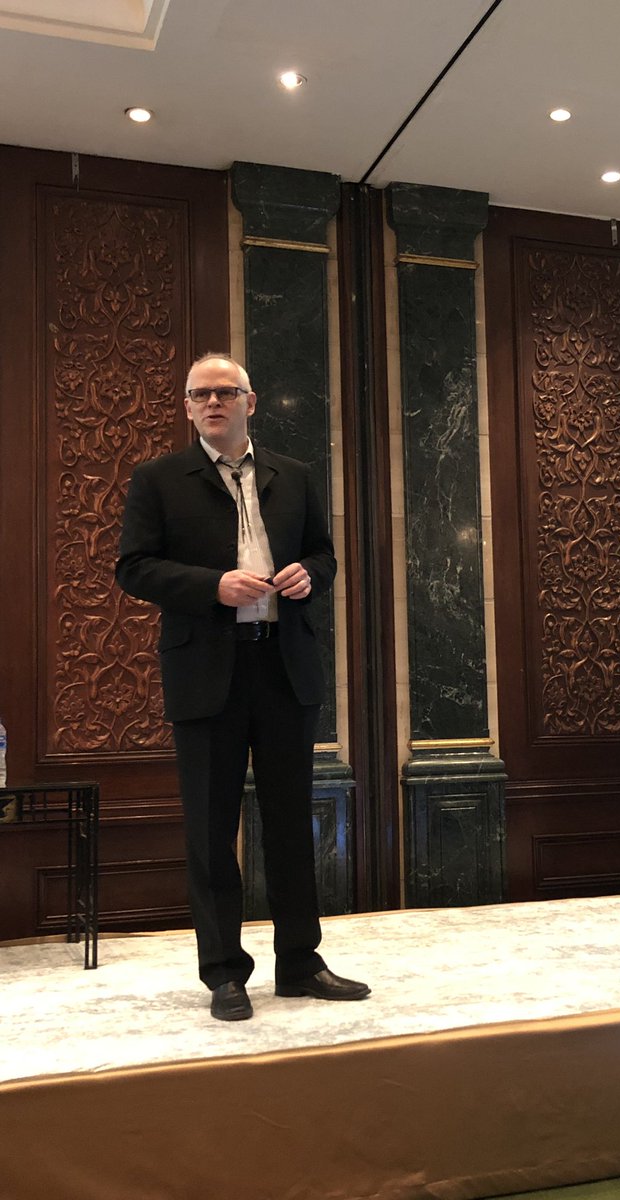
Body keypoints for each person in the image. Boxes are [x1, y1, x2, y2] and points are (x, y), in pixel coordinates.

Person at [116, 353, 369, 1020]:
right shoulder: (159, 479)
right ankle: (224, 972)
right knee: (211, 827)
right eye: (200, 394)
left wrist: (311, 576)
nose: (213, 402)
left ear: (250, 402)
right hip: (206, 671)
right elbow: (133, 568)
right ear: (187, 407)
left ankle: (300, 963)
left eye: (226, 392)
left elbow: (323, 555)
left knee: (290, 824)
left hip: (283, 666)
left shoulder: (296, 475)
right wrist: (213, 586)